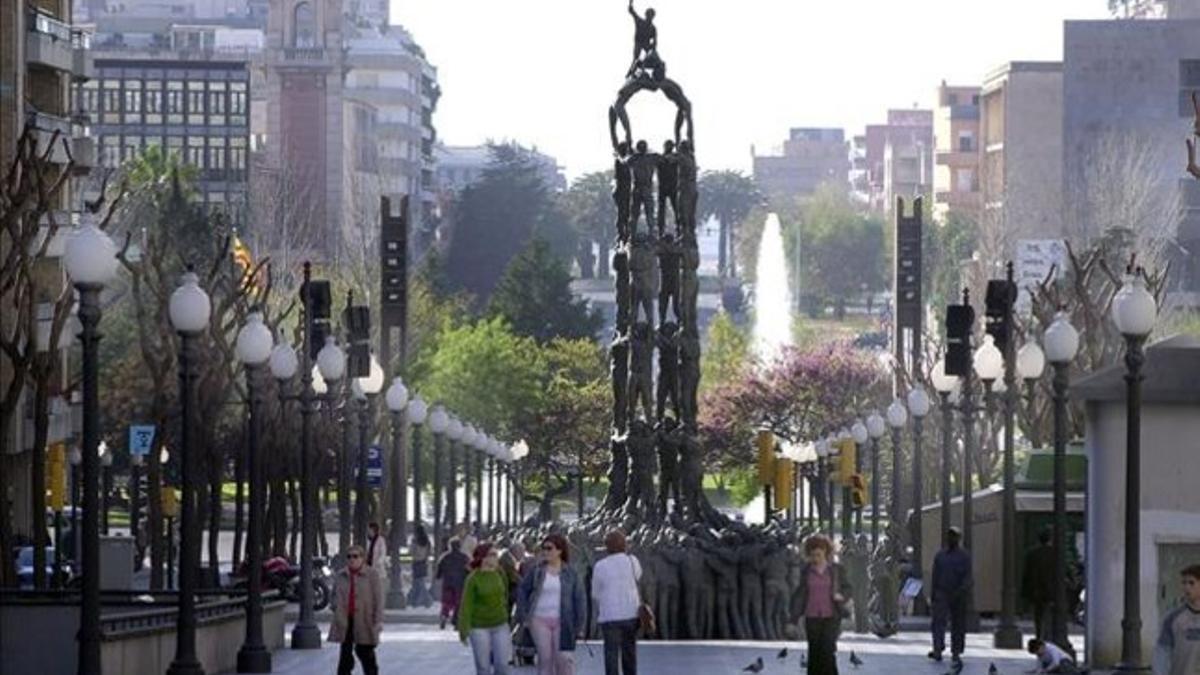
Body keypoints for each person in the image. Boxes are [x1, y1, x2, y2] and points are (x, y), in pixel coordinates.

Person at [516, 533, 587, 675]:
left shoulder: (570, 573)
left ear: (560, 550)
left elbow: (580, 599)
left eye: (549, 548)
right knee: (545, 658)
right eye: (543, 548)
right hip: (539, 619)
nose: (545, 552)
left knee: (564, 659)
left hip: (563, 621)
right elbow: (523, 591)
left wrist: (580, 625)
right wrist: (524, 617)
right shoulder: (537, 571)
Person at [789, 534, 851, 675]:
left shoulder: (835, 569)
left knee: (828, 650)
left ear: (826, 551)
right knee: (814, 652)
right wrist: (793, 619)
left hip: (831, 616)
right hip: (812, 617)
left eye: (819, 553)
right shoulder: (806, 571)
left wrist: (842, 596)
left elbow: (848, 587)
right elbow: (800, 595)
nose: (816, 557)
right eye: (813, 554)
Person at [591, 529, 642, 675]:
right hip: (631, 614)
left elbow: (595, 593)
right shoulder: (633, 561)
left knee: (611, 653)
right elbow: (638, 577)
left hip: (609, 616)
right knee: (629, 653)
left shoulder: (600, 566)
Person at [328, 545, 384, 675]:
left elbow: (378, 600)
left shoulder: (372, 575)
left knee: (365, 652)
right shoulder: (341, 575)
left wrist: (378, 620)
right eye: (349, 556)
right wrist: (336, 607)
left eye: (355, 556)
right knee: (345, 653)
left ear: (362, 558)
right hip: (345, 619)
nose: (352, 559)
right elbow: (333, 595)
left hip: (365, 619)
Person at [458, 543, 513, 675]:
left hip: (500, 625)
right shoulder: (473, 579)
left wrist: (506, 614)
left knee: (502, 665)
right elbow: (466, 605)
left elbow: (505, 594)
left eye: (496, 555)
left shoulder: (500, 573)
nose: (496, 558)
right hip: (479, 627)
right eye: (492, 555)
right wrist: (463, 630)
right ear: (483, 558)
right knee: (483, 667)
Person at [929, 527, 973, 665]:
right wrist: (933, 594)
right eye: (949, 536)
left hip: (958, 594)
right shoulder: (940, 556)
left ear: (958, 539)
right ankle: (938, 649)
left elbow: (968, 577)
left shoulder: (965, 556)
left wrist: (962, 590)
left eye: (954, 536)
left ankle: (956, 651)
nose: (951, 539)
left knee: (958, 624)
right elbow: (935, 576)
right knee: (938, 622)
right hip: (942, 592)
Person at [1153, 564, 1200, 675]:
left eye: (1191, 583)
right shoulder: (1173, 618)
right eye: (1184, 583)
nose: (1186, 587)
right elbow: (1162, 652)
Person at [1022, 528, 1055, 640]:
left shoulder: (1032, 553)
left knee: (1038, 615)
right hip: (1051, 589)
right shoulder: (1054, 553)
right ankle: (1048, 635)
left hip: (1036, 590)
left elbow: (1027, 573)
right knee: (1051, 613)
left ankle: (1039, 634)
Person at [436, 537, 470, 630]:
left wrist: (439, 576)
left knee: (446, 602)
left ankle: (444, 615)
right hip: (460, 584)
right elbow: (469, 570)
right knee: (458, 603)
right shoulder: (464, 557)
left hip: (447, 583)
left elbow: (439, 571)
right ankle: (456, 622)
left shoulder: (444, 557)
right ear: (459, 546)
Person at [409, 524, 433, 607]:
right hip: (424, 562)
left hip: (416, 562)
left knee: (418, 582)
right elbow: (429, 552)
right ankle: (416, 601)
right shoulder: (427, 541)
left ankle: (427, 601)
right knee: (420, 582)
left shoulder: (415, 540)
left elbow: (411, 551)